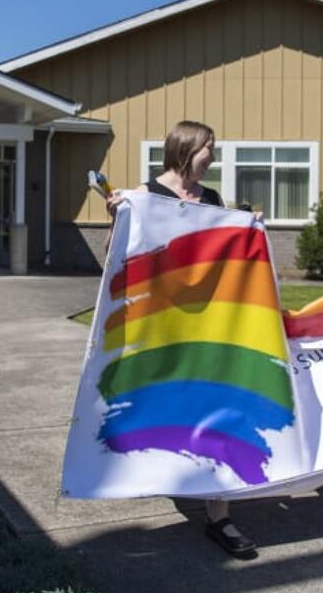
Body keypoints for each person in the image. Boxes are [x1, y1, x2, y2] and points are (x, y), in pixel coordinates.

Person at [106, 120, 257, 558]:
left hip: (209, 325)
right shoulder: (145, 195)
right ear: (186, 148)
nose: (214, 156)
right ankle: (163, 471)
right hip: (163, 328)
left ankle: (221, 518)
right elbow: (119, 263)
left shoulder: (210, 199)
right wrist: (119, 219)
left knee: (220, 412)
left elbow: (221, 252)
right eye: (209, 148)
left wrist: (248, 228)